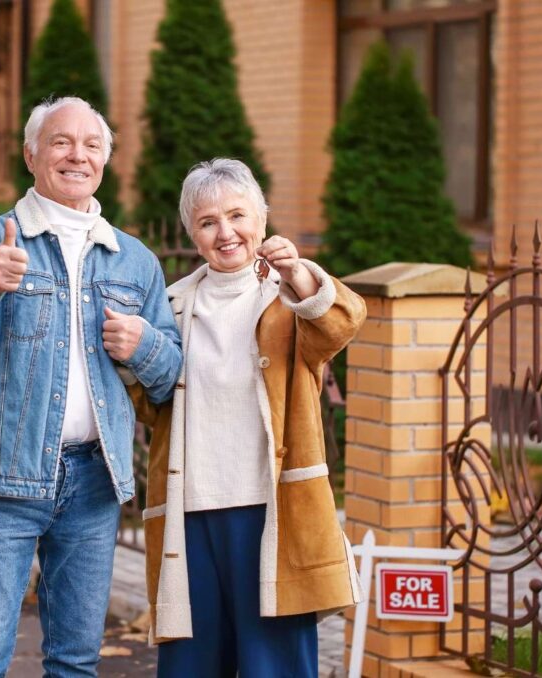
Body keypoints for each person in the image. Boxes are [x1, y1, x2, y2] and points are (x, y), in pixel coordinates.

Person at [0, 96, 182, 677]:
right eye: (62, 142)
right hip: (3, 477)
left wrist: (142, 344)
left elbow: (170, 379)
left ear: (105, 161)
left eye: (92, 145)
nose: (78, 155)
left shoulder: (135, 261)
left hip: (94, 483)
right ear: (32, 155)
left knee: (75, 662)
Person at [129, 158, 366, 676]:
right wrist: (137, 352)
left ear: (261, 218)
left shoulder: (288, 298)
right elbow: (150, 406)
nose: (226, 232)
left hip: (271, 513)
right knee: (190, 667)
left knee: (273, 666)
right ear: (193, 233)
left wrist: (300, 273)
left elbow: (340, 326)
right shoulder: (172, 305)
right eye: (208, 221)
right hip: (187, 518)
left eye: (237, 215)